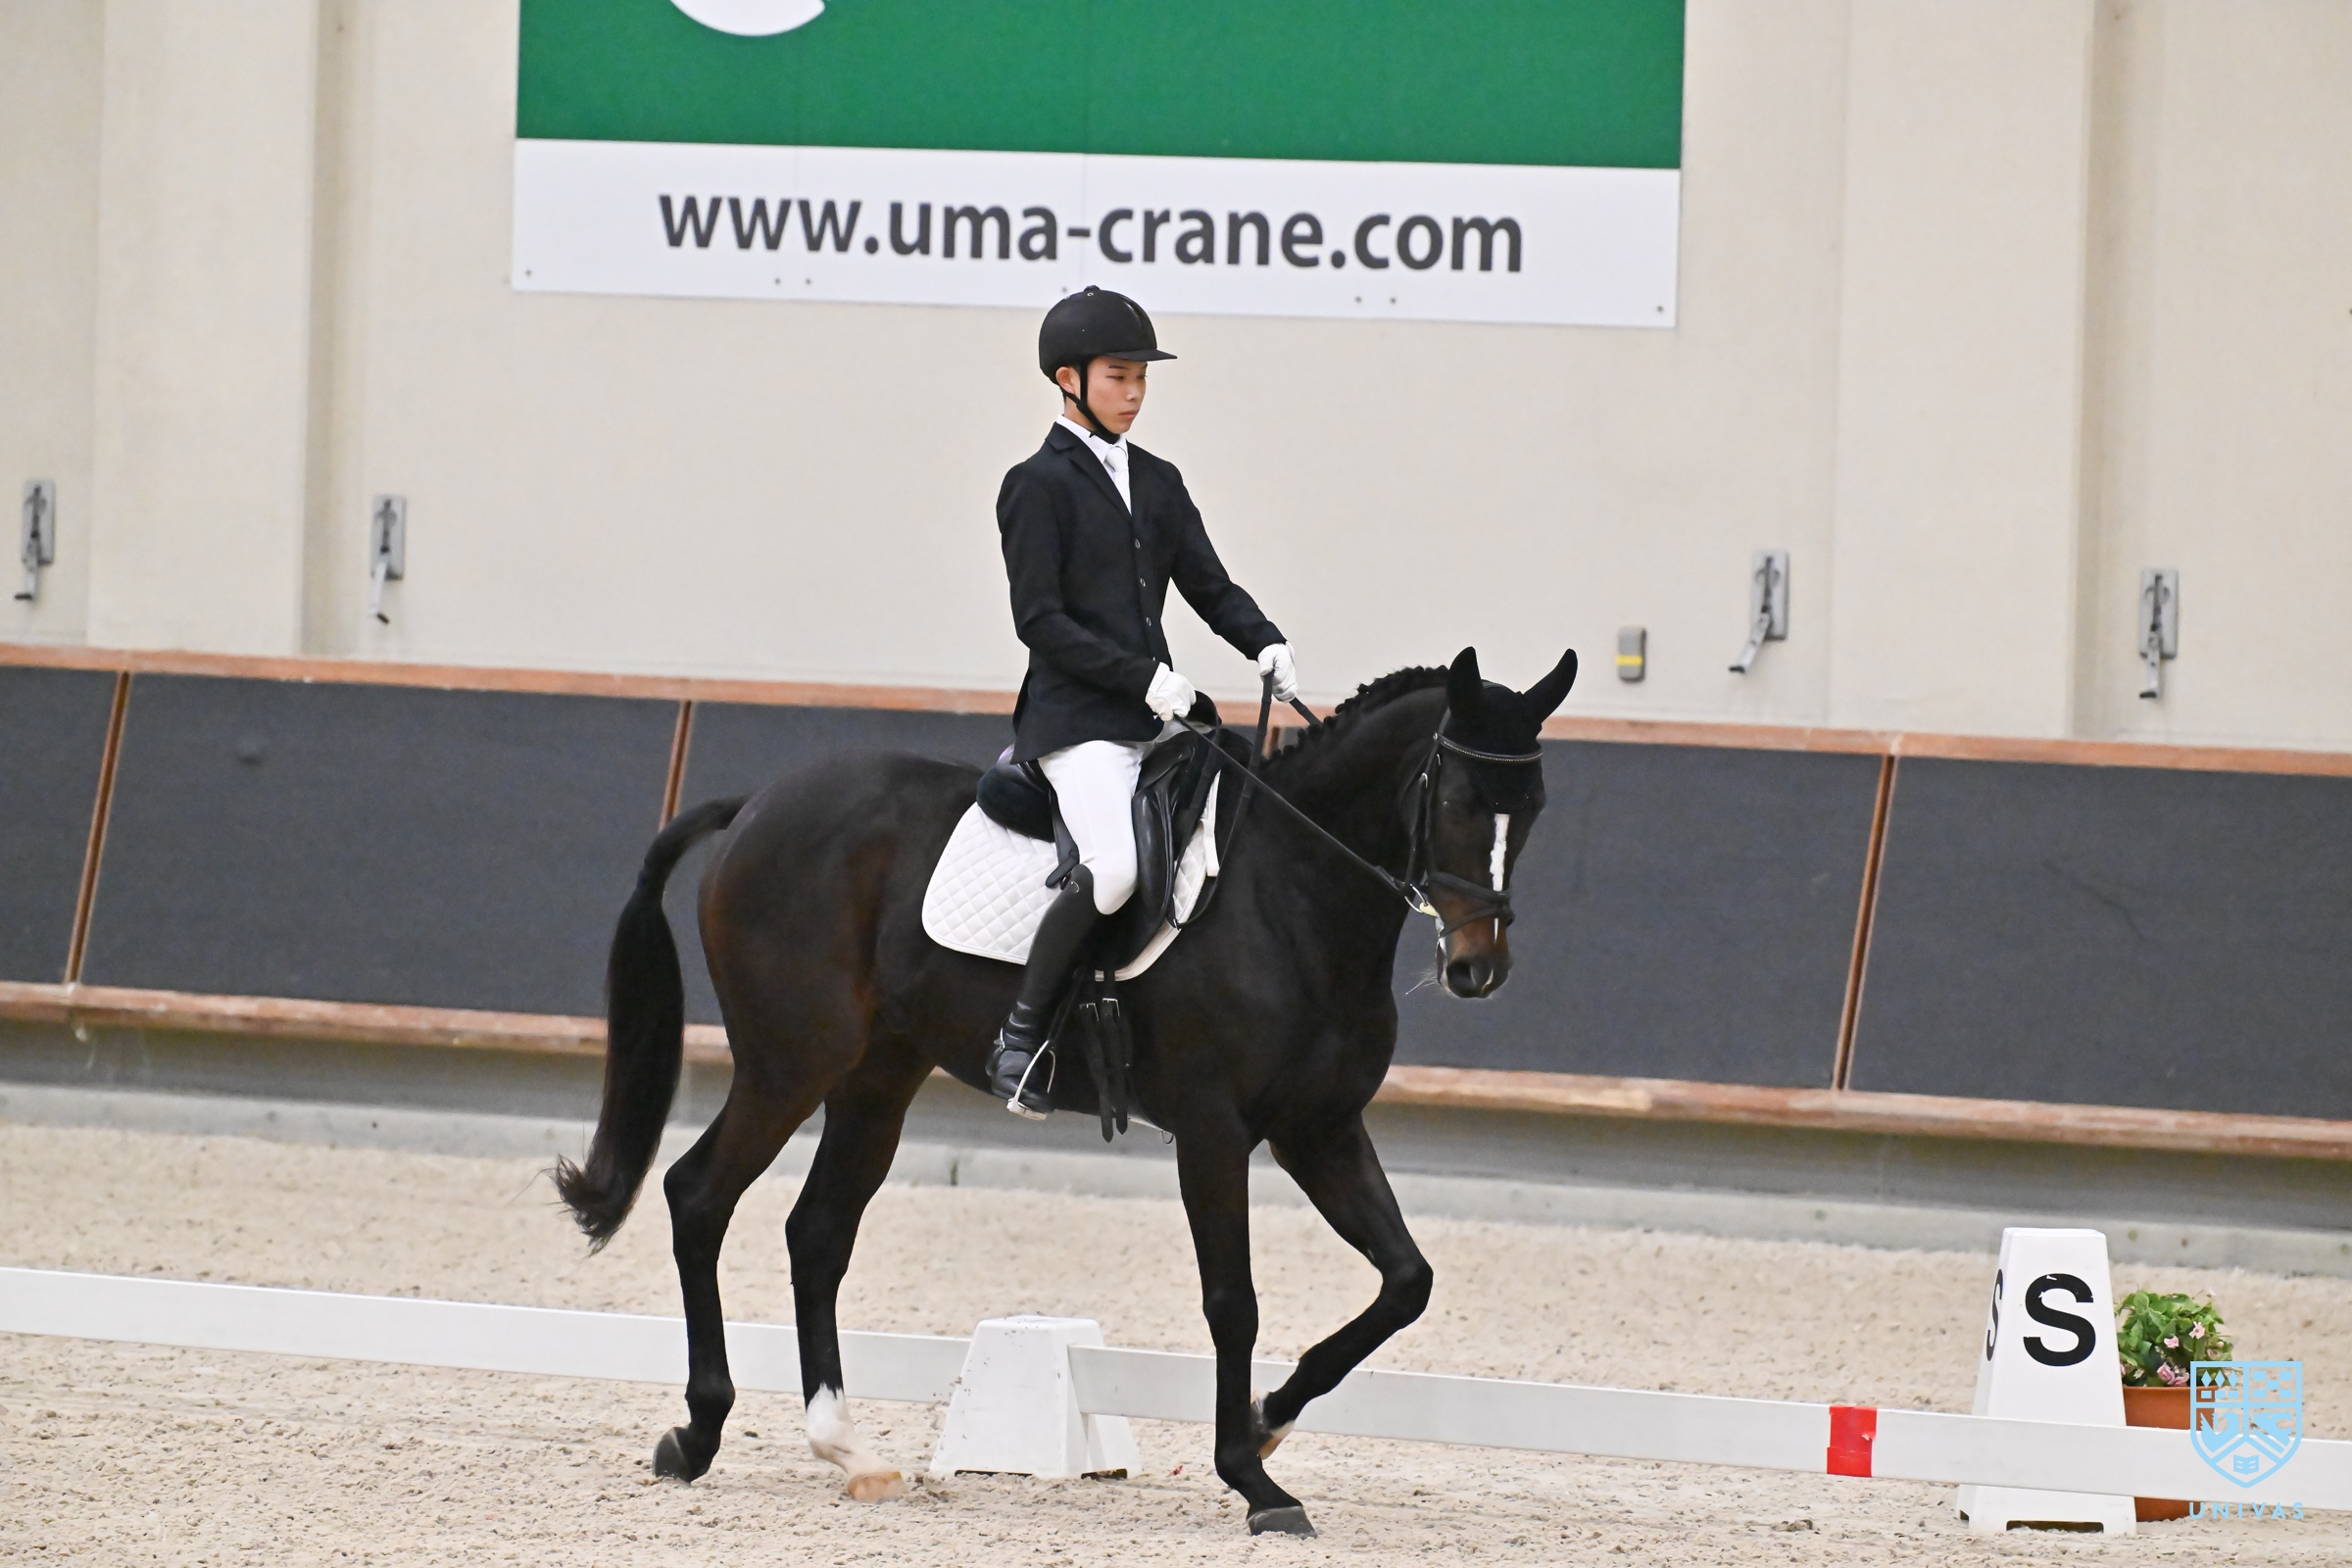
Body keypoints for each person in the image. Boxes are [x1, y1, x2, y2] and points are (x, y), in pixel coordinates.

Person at [985, 286, 1299, 1118]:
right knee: (1116, 867)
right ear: (1069, 379)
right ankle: (1020, 1039)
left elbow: (1208, 584)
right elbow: (1039, 621)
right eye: (1118, 377)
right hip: (1077, 723)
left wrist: (1264, 641)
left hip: (1154, 719)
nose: (1134, 393)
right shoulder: (1034, 485)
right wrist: (1140, 677)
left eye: (1141, 379)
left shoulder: (1158, 480)